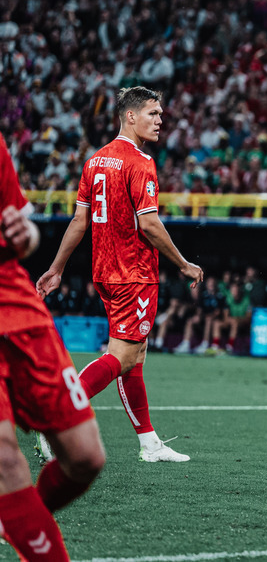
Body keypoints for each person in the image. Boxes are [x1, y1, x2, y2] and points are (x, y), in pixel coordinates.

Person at [36, 86, 202, 463]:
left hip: (106, 272)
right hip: (134, 274)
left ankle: (149, 444)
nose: (160, 120)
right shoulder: (140, 162)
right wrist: (183, 263)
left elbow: (80, 220)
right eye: (153, 113)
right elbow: (150, 225)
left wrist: (56, 268)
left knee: (135, 356)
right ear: (131, 116)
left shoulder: (96, 160)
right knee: (122, 357)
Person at [0, 137, 105, 562]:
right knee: (6, 460)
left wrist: (26, 234)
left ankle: (16, 517)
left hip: (17, 307)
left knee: (85, 457)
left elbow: (23, 236)